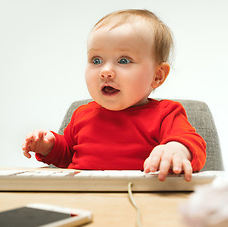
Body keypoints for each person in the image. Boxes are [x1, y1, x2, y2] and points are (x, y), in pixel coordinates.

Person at [22, 9, 206, 181]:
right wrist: (49, 146)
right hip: (81, 196)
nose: (106, 71)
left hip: (137, 198)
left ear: (157, 76)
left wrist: (176, 149)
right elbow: (67, 155)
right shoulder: (81, 114)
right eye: (97, 60)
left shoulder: (166, 114)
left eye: (123, 60)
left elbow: (192, 143)